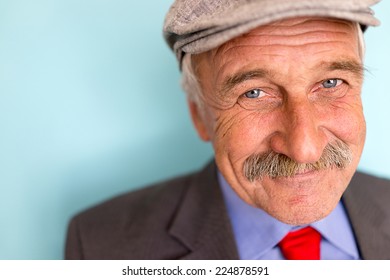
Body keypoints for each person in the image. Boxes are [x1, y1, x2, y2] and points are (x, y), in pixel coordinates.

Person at [65, 0, 390, 260]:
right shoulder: (101, 247)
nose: (304, 148)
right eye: (254, 93)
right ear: (199, 115)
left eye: (331, 83)